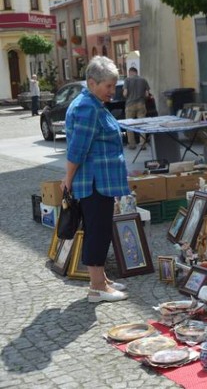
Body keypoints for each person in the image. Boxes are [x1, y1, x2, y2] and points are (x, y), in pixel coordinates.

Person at [62, 56, 129, 303]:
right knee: (97, 232)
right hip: (94, 182)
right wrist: (67, 179)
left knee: (98, 229)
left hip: (98, 181)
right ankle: (97, 287)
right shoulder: (88, 107)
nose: (113, 91)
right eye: (108, 86)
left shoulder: (93, 103)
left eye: (114, 85)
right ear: (92, 83)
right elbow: (77, 150)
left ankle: (102, 280)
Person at [122, 67, 150, 150]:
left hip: (130, 105)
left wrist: (125, 96)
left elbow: (125, 93)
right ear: (136, 72)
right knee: (141, 125)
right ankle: (142, 144)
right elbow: (147, 94)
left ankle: (132, 144)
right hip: (141, 104)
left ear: (130, 72)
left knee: (129, 125)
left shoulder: (127, 80)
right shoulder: (143, 80)